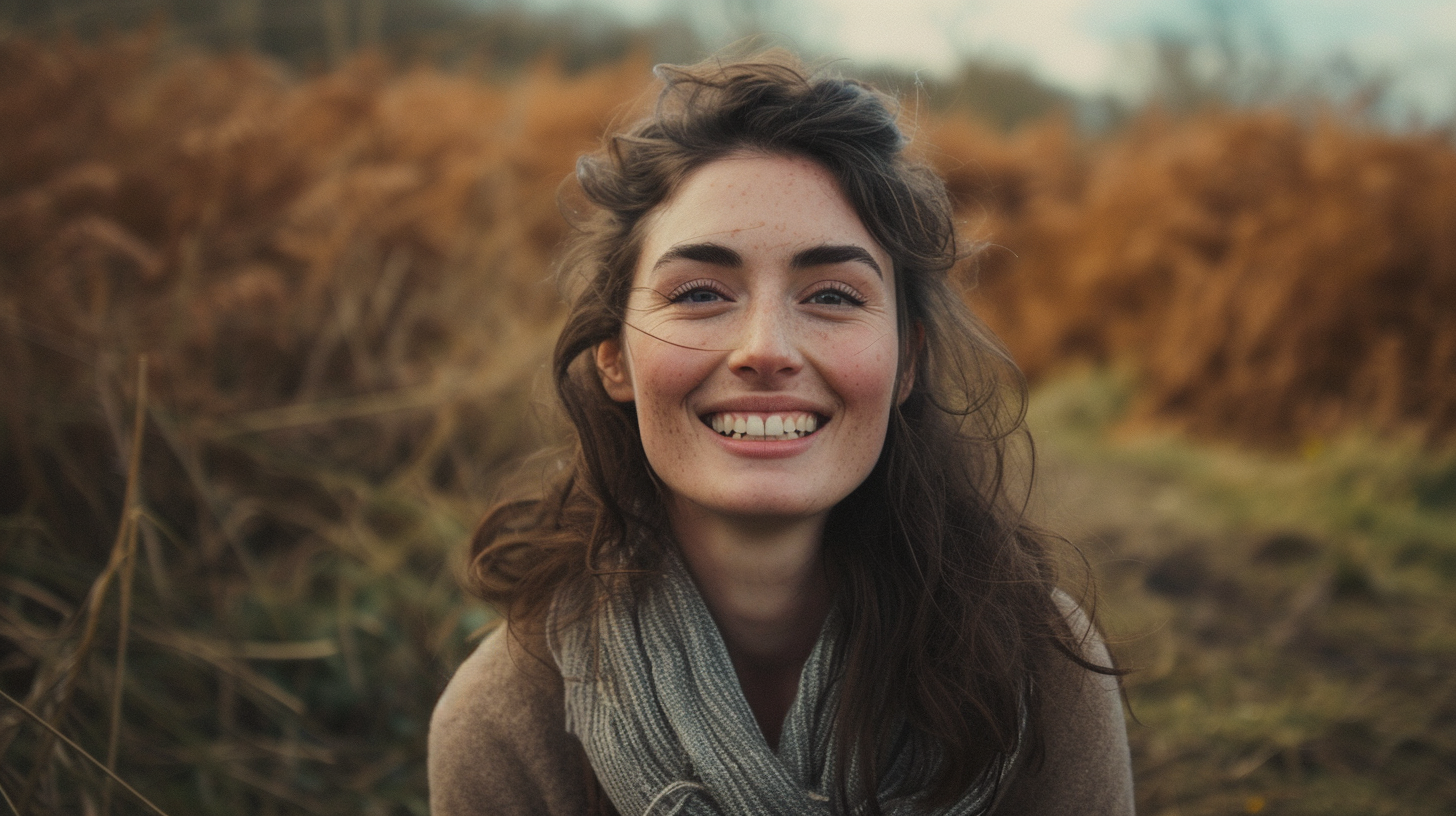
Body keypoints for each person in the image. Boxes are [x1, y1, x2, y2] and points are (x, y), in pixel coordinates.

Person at [429, 53, 1134, 816]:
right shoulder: (505, 720)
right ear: (615, 361)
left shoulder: (1036, 668)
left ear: (907, 362)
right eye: (699, 293)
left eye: (832, 294)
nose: (765, 348)